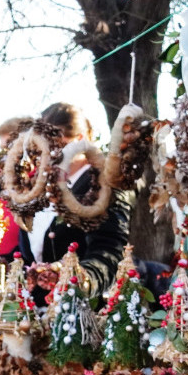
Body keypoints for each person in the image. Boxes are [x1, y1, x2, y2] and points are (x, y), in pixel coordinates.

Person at [18, 102, 132, 301]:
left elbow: (109, 252)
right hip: (37, 307)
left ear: (79, 140)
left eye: (55, 144)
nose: (47, 152)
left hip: (83, 308)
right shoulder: (39, 187)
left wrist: (78, 278)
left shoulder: (103, 187)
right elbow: (31, 250)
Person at [0, 116, 32, 262]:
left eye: (8, 148)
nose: (4, 155)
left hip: (21, 261)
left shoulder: (37, 182)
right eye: (2, 149)